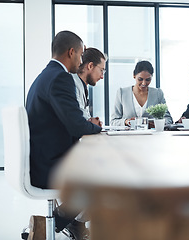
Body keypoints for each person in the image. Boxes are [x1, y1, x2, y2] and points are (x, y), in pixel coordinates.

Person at [26, 31, 101, 239]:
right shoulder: (61, 78)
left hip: (41, 160)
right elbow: (78, 126)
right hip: (48, 167)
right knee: (105, 176)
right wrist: (98, 129)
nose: (81, 60)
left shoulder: (44, 76)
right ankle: (59, 224)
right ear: (71, 52)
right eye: (80, 55)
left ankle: (56, 224)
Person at [110, 60, 173, 127]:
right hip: (128, 136)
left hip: (152, 136)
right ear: (134, 75)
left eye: (148, 80)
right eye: (140, 79)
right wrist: (126, 122)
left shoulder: (158, 94)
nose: (144, 83)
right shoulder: (122, 93)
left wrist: (157, 123)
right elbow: (114, 121)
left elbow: (168, 119)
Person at [72, 47, 106, 122]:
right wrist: (91, 122)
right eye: (101, 70)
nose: (102, 76)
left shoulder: (82, 86)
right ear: (90, 66)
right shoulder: (72, 84)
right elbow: (79, 118)